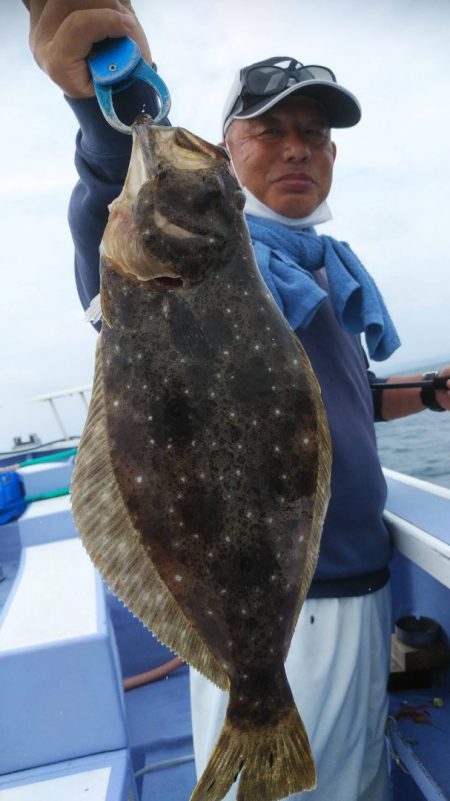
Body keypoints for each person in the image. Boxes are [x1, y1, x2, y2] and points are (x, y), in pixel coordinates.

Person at [25, 3, 450, 800]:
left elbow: (342, 409)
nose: (298, 148)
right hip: (275, 605)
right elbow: (112, 200)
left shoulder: (319, 272)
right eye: (270, 129)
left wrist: (426, 393)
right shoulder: (210, 262)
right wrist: (102, 108)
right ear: (227, 150)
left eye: (316, 135)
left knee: (351, 784)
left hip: (356, 582)